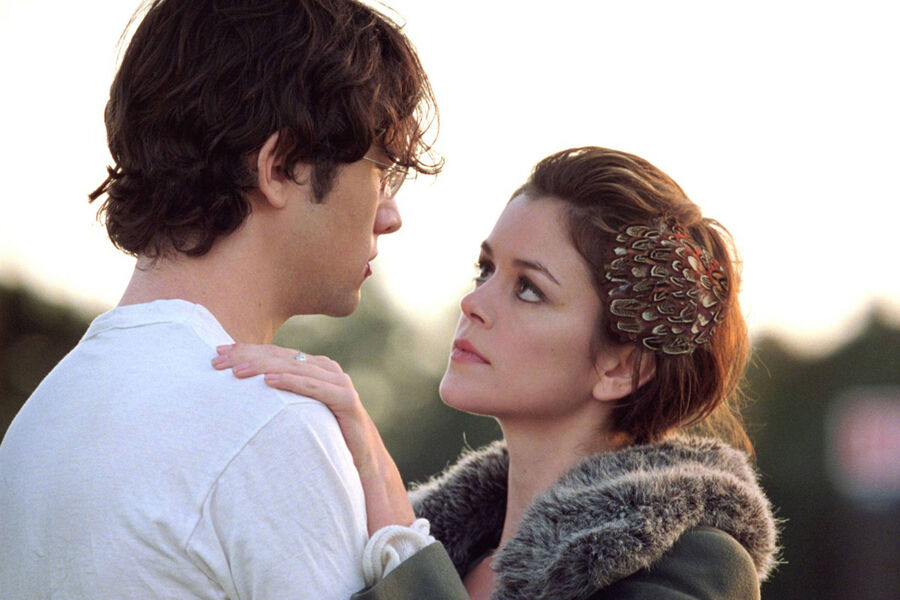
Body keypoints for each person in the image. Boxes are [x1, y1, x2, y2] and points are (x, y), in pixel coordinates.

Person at [0, 1, 469, 598]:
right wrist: (402, 532)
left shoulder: (40, 423)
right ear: (281, 167)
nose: (390, 214)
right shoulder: (273, 426)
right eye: (384, 171)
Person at [213, 147, 780, 599]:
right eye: (485, 269)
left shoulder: (694, 565)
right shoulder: (419, 546)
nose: (473, 303)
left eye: (529, 289)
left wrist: (393, 514)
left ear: (622, 367)